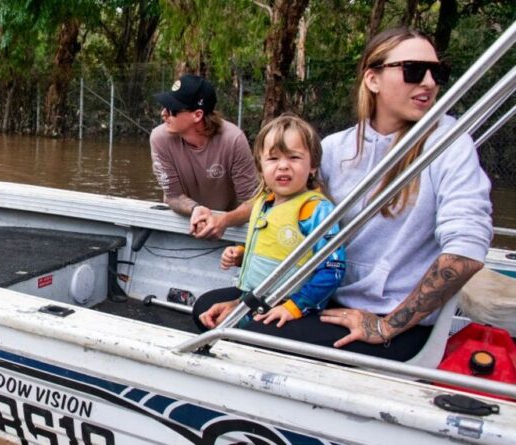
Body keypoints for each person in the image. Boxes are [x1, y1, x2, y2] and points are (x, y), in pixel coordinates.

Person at [199, 28, 492, 361]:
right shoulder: (337, 147)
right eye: (413, 70)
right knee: (210, 309)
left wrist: (386, 327)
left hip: (392, 323)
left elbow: (466, 251)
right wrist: (225, 221)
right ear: (373, 79)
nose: (428, 82)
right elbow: (281, 198)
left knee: (235, 329)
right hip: (329, 297)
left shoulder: (450, 146)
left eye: (437, 72)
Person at [194, 114, 345, 331]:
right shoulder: (265, 202)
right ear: (260, 167)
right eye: (273, 159)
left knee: (239, 330)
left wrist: (294, 307)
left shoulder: (315, 210)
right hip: (257, 299)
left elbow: (333, 269)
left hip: (291, 305)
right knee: (205, 313)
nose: (283, 166)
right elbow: (276, 248)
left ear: (312, 166)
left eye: (294, 158)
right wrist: (241, 254)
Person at [150, 74, 258, 240]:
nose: (163, 114)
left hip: (229, 229)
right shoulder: (159, 138)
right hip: (185, 222)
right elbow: (173, 195)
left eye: (172, 110)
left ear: (197, 115)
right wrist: (196, 209)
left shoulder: (233, 139)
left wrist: (223, 220)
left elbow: (254, 201)